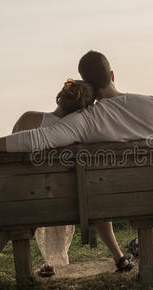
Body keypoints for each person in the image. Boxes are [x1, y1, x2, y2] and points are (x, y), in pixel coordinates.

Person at [0, 50, 153, 272]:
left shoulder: (86, 120)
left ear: (87, 84)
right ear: (111, 75)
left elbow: (36, 138)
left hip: (108, 200)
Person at [12, 79, 95, 277]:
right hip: (67, 202)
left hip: (20, 198)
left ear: (61, 97)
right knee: (56, 191)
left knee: (45, 189)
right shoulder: (78, 131)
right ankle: (52, 261)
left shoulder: (28, 118)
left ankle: (43, 265)